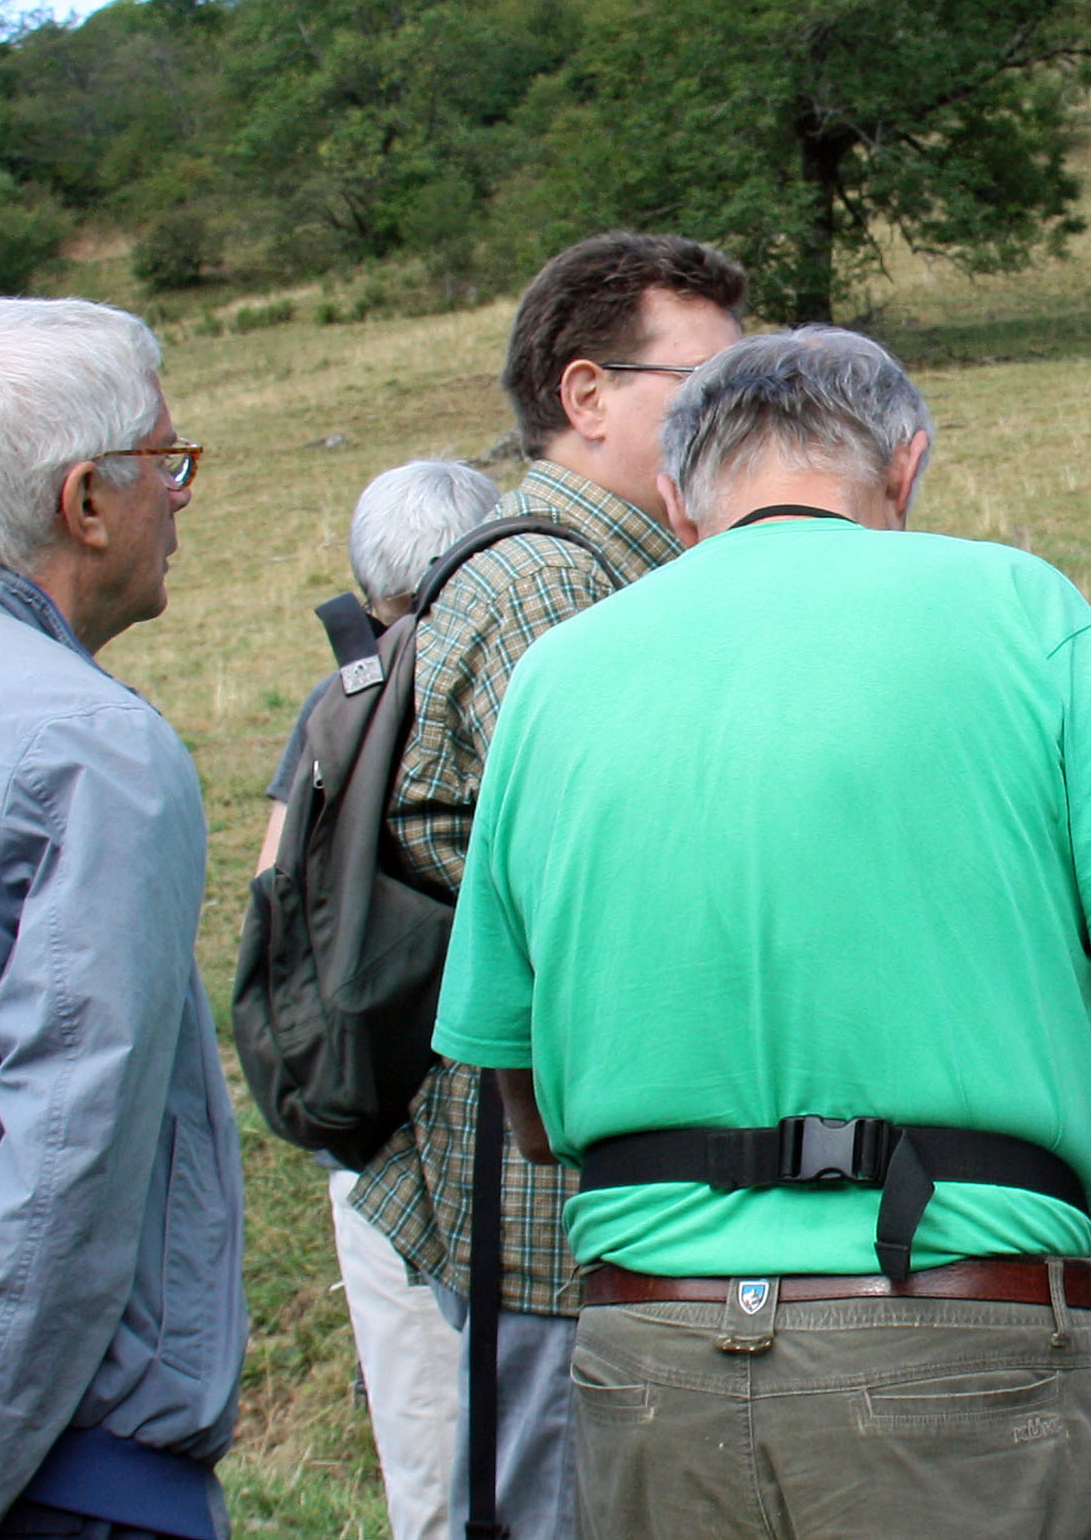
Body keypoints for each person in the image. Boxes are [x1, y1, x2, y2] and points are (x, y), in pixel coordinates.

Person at [431, 327, 1091, 1537]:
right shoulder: (1018, 605)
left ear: (677, 492)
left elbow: (534, 1108)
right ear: (904, 465)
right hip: (965, 1341)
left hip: (647, 1364)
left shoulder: (557, 674)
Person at [346, 232, 747, 1540]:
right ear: (586, 396)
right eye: (708, 384)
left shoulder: (616, 574)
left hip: (582, 1184)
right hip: (546, 1205)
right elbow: (629, 887)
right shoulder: (547, 590)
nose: (740, 418)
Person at [0, 298, 245, 1540]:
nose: (179, 498)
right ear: (86, 501)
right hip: (33, 1483)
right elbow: (61, 1198)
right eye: (165, 463)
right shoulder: (88, 748)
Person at [253, 457, 500, 1540]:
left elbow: (275, 903)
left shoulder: (335, 701)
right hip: (504, 1126)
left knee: (429, 1462)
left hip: (371, 1124)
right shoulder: (510, 669)